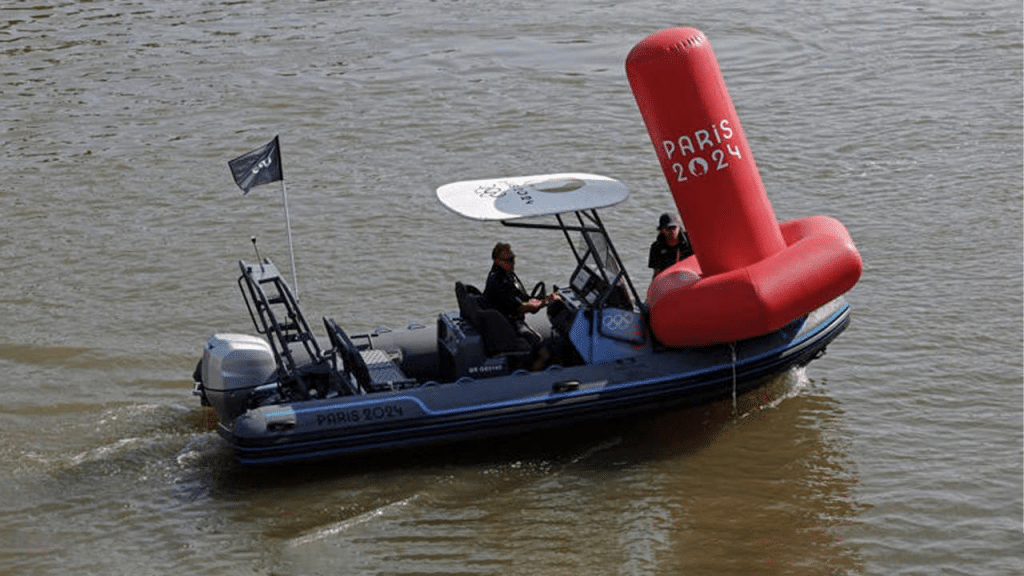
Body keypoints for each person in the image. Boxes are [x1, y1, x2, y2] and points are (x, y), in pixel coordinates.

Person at [483, 242, 558, 369]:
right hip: (509, 324)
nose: (513, 263)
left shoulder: (505, 275)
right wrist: (547, 302)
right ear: (497, 261)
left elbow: (522, 298)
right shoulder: (500, 282)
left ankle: (522, 365)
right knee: (544, 355)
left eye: (513, 258)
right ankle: (533, 378)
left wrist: (540, 299)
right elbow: (522, 307)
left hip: (506, 319)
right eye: (509, 260)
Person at [648, 212, 694, 278]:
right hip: (666, 279)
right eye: (668, 228)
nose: (672, 231)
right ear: (662, 230)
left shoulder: (690, 241)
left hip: (688, 275)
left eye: (674, 227)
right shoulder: (656, 247)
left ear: (679, 227)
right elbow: (657, 271)